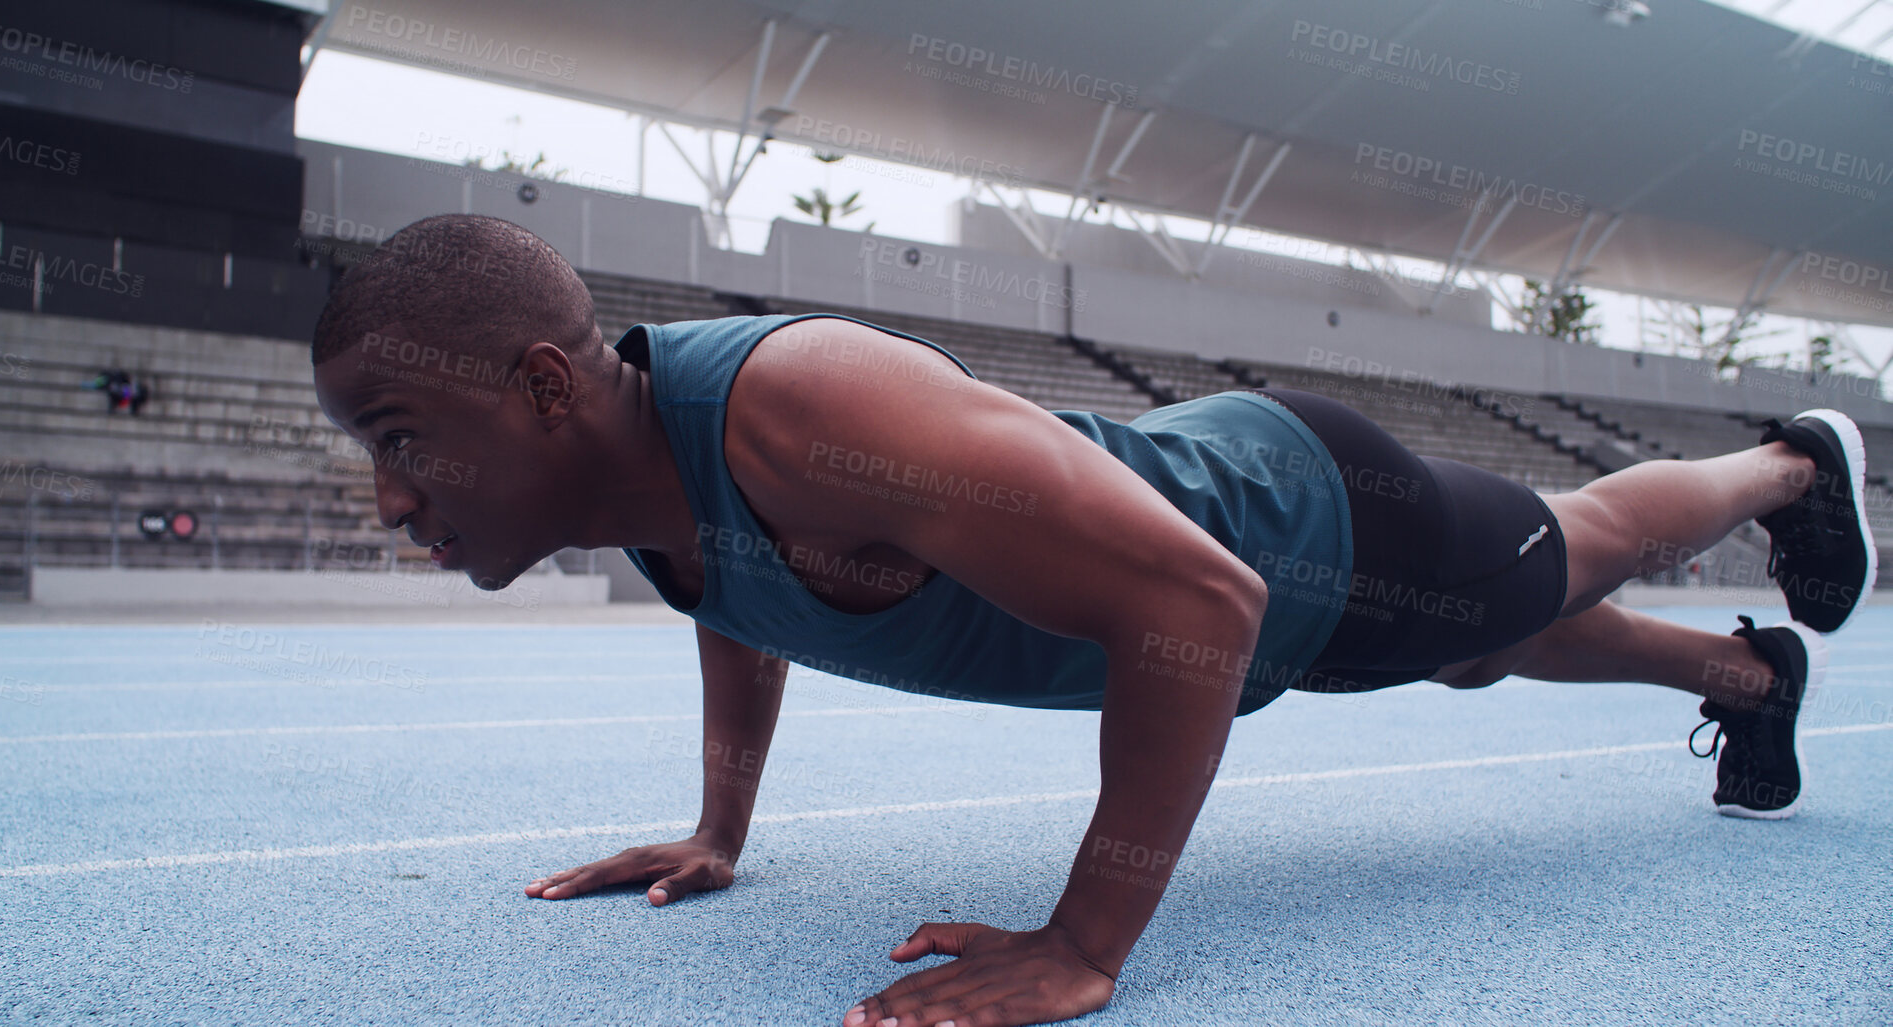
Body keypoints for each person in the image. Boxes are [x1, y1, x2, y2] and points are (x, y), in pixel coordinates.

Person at [310, 215, 1876, 1027]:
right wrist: (719, 826)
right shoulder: (650, 483)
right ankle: (1748, 678)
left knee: (1570, 547)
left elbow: (1199, 597)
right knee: (1464, 640)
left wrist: (1083, 942)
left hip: (1306, 523)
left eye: (397, 436)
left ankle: (1790, 458)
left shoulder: (798, 406)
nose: (391, 500)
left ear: (535, 388)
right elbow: (744, 592)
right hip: (1282, 604)